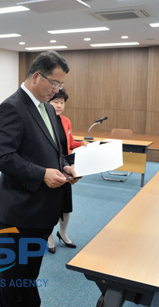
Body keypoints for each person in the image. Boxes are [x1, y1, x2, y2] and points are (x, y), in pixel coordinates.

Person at [0, 50, 80, 307]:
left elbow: (55, 151)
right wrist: (42, 174)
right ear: (36, 76)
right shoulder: (11, 107)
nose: (57, 89)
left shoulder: (49, 110)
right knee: (13, 279)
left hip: (43, 209)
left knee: (29, 274)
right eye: (54, 83)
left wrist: (65, 167)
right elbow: (2, 157)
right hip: (20, 210)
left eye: (61, 84)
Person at [46, 89, 88, 253]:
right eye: (55, 101)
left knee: (66, 205)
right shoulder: (45, 121)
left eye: (62, 102)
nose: (59, 105)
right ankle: (48, 235)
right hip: (50, 167)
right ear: (48, 103)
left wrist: (81, 143)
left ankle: (62, 232)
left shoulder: (65, 121)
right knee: (50, 204)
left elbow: (69, 142)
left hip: (66, 168)